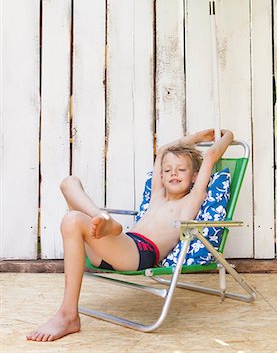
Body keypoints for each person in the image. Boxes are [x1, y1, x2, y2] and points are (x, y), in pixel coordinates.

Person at [26, 128, 233, 342]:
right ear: (160, 176)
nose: (174, 173)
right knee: (68, 184)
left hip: (139, 252)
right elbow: (163, 151)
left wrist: (228, 136)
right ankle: (102, 217)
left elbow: (210, 156)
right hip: (117, 247)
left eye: (181, 170)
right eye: (169, 170)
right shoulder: (157, 195)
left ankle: (68, 315)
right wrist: (196, 138)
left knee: (73, 219)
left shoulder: (189, 202)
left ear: (195, 178)